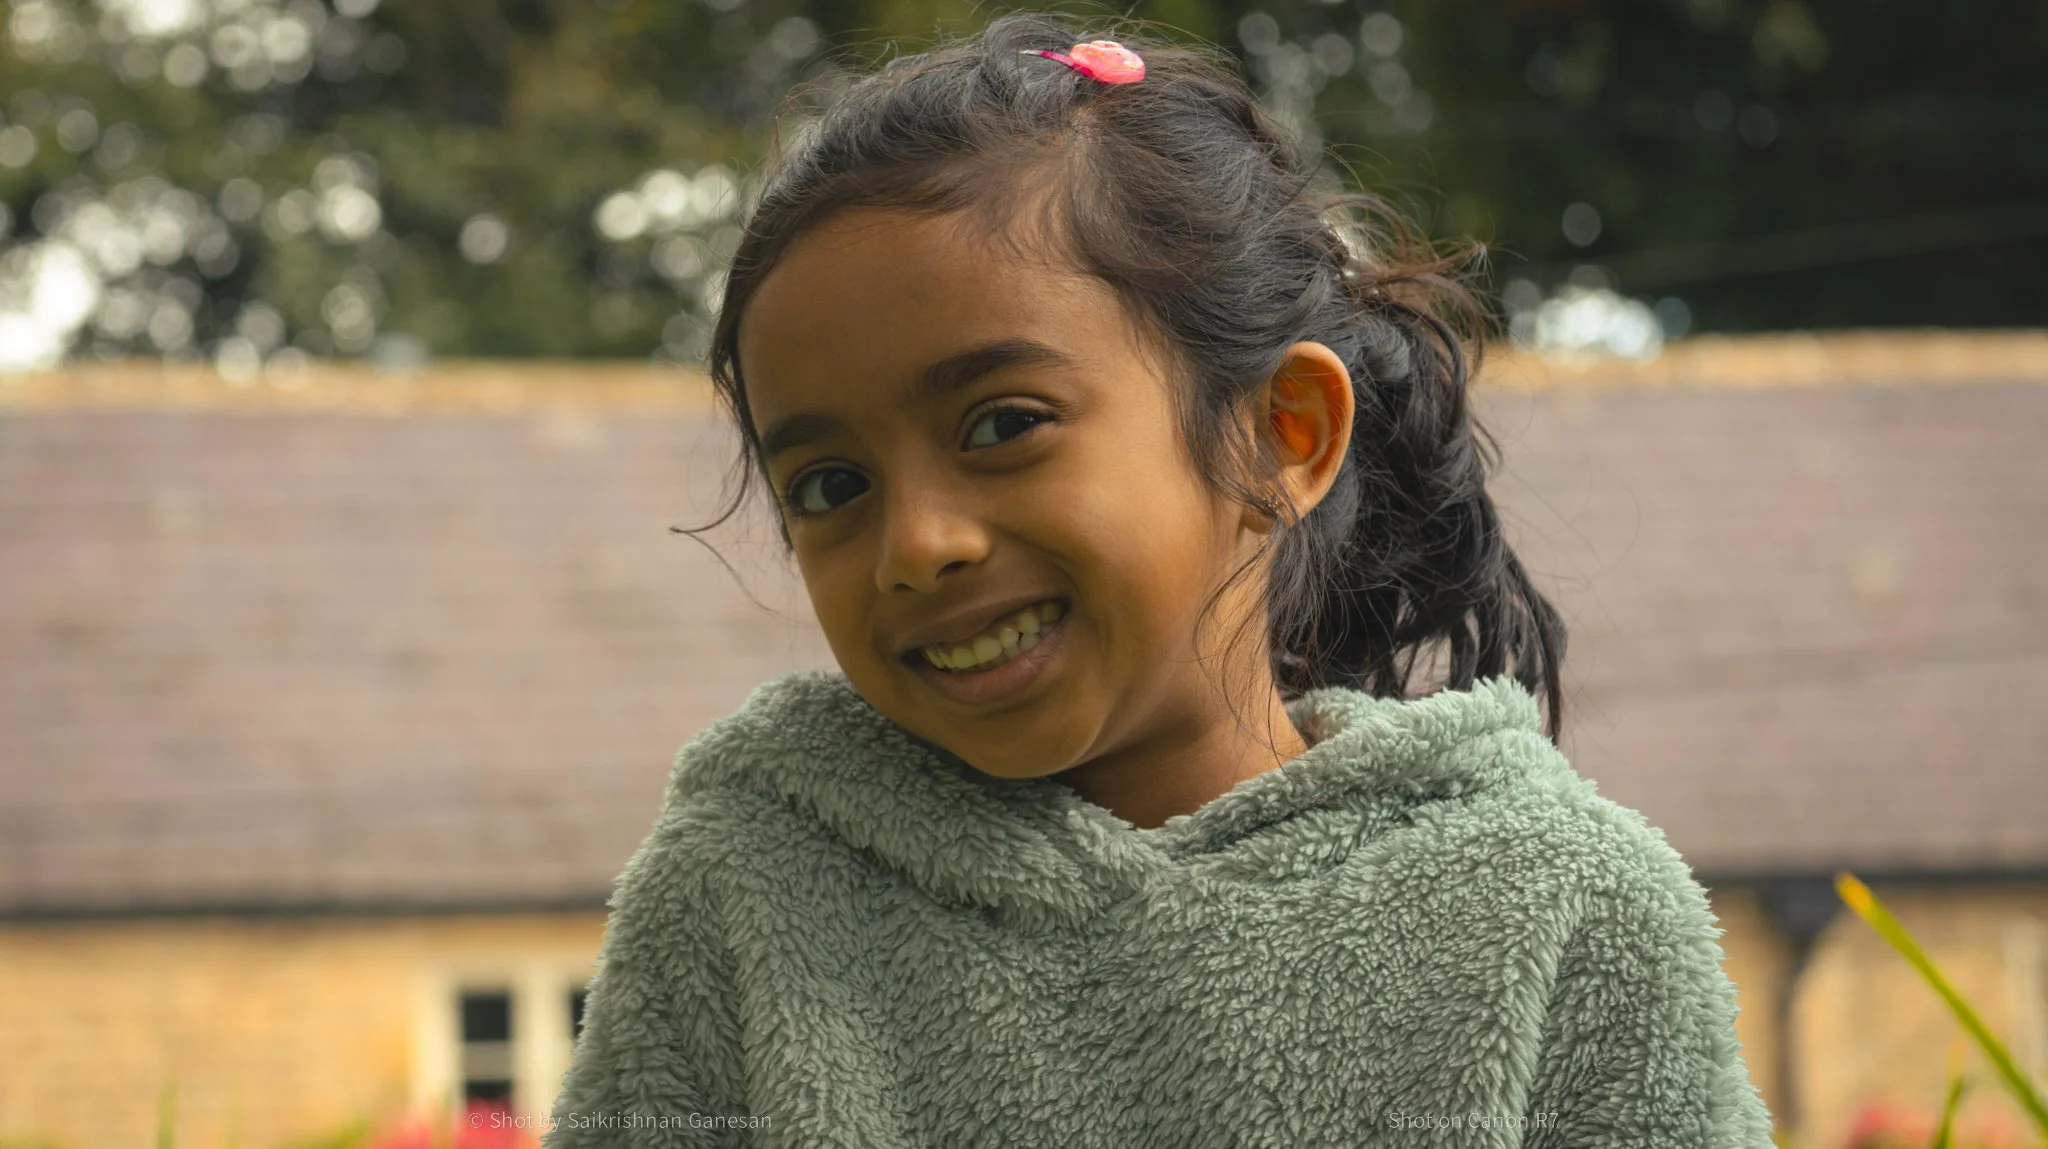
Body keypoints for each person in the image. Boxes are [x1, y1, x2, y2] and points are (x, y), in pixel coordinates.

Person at [542, 12, 1775, 1148]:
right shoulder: (743, 900)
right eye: (827, 486)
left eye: (1002, 423)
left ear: (1279, 434)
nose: (915, 544)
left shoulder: (1557, 914)